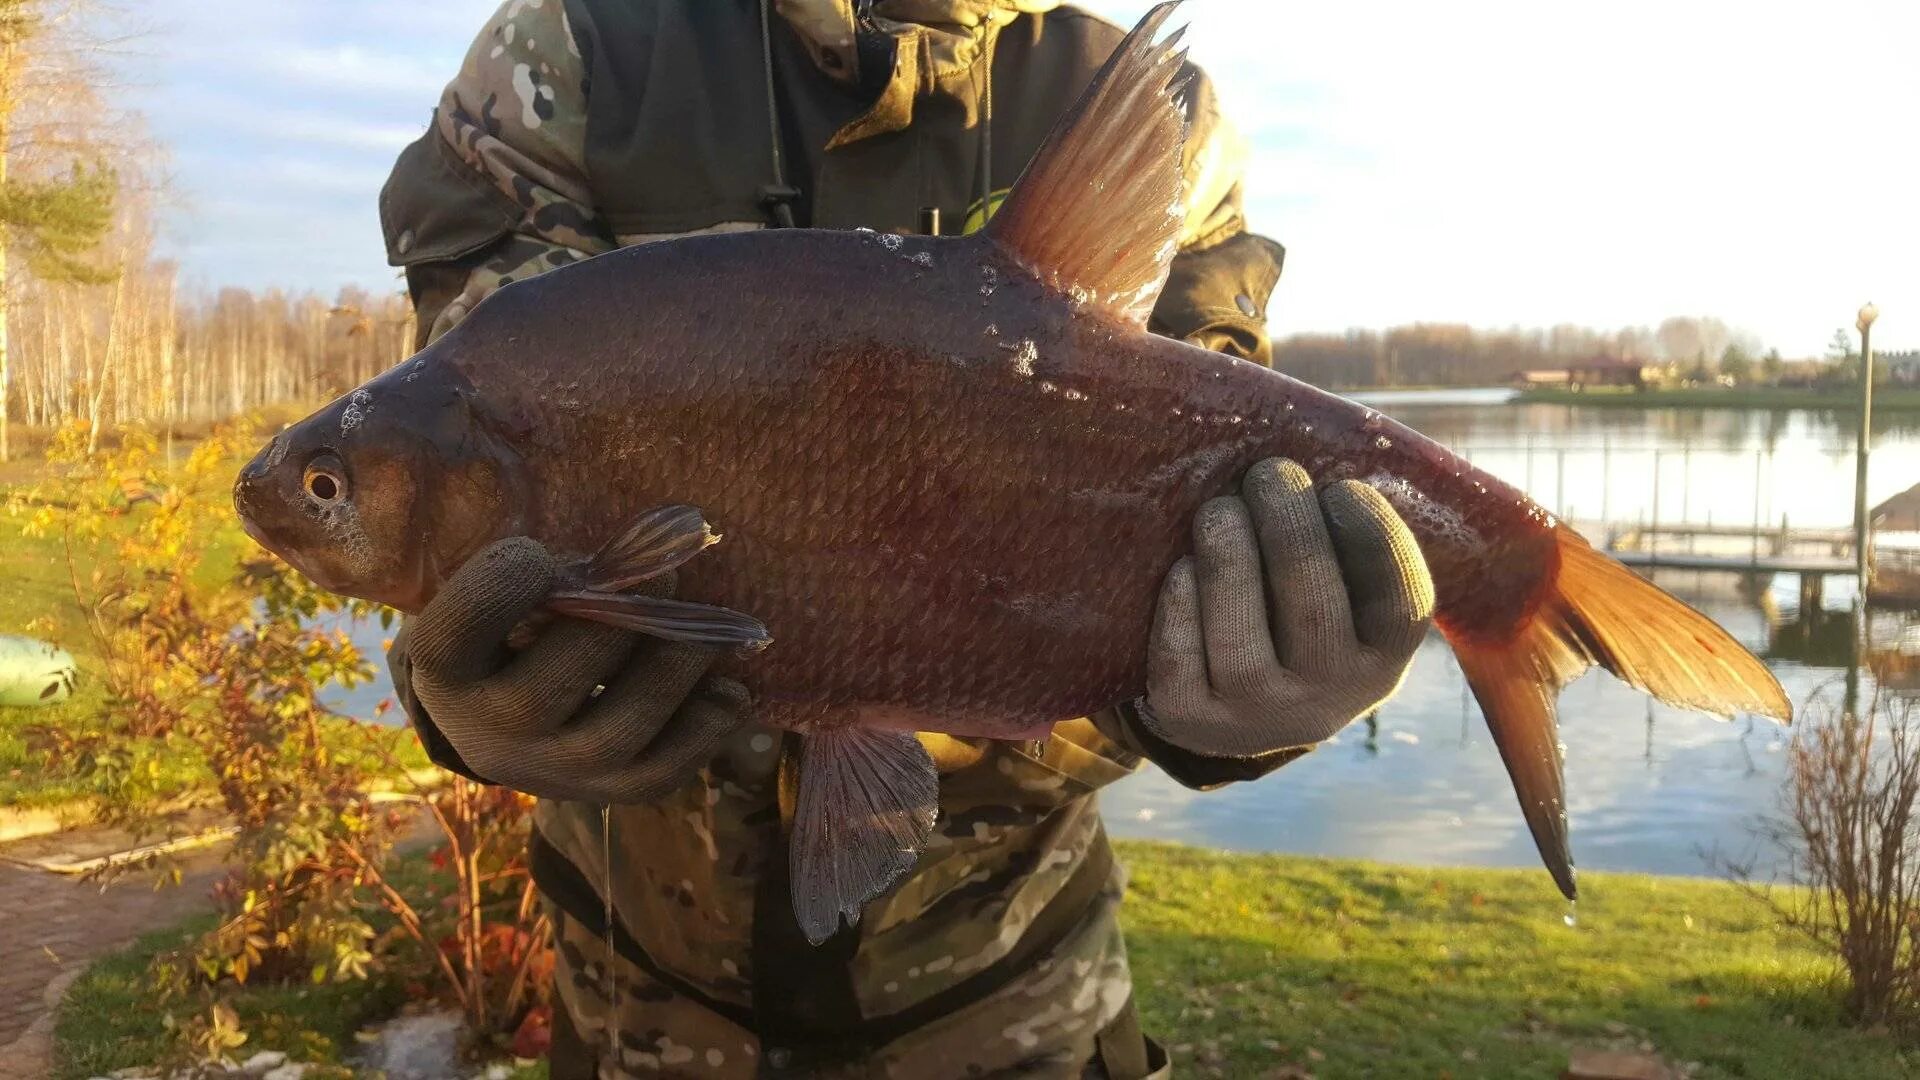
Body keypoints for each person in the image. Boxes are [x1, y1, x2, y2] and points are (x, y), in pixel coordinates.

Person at [377, 2, 1435, 1076]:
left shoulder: (1133, 91)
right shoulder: (578, 47)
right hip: (636, 1004)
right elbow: (465, 453)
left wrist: (1236, 714)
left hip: (1014, 995)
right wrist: (468, 693)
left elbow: (1201, 504)